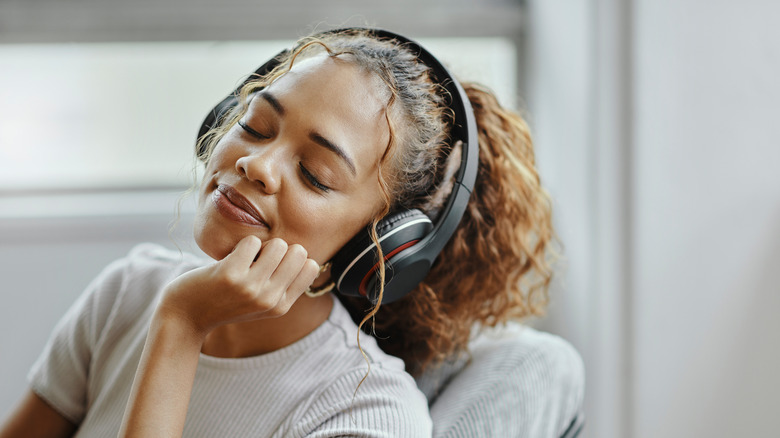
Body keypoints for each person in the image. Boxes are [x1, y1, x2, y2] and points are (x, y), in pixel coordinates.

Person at [0, 28, 555, 437]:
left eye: (315, 175)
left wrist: (181, 326)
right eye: (254, 126)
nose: (257, 165)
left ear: (380, 246)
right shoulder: (130, 291)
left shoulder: (367, 415)